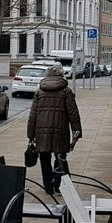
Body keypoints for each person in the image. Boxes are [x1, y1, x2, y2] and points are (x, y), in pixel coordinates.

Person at [27, 64, 82, 195]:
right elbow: (73, 114)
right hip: (61, 132)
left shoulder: (39, 92)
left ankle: (48, 187)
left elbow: (32, 115)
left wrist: (30, 135)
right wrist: (76, 135)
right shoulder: (66, 91)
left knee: (44, 158)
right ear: (61, 75)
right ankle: (58, 185)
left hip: (41, 133)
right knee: (60, 157)